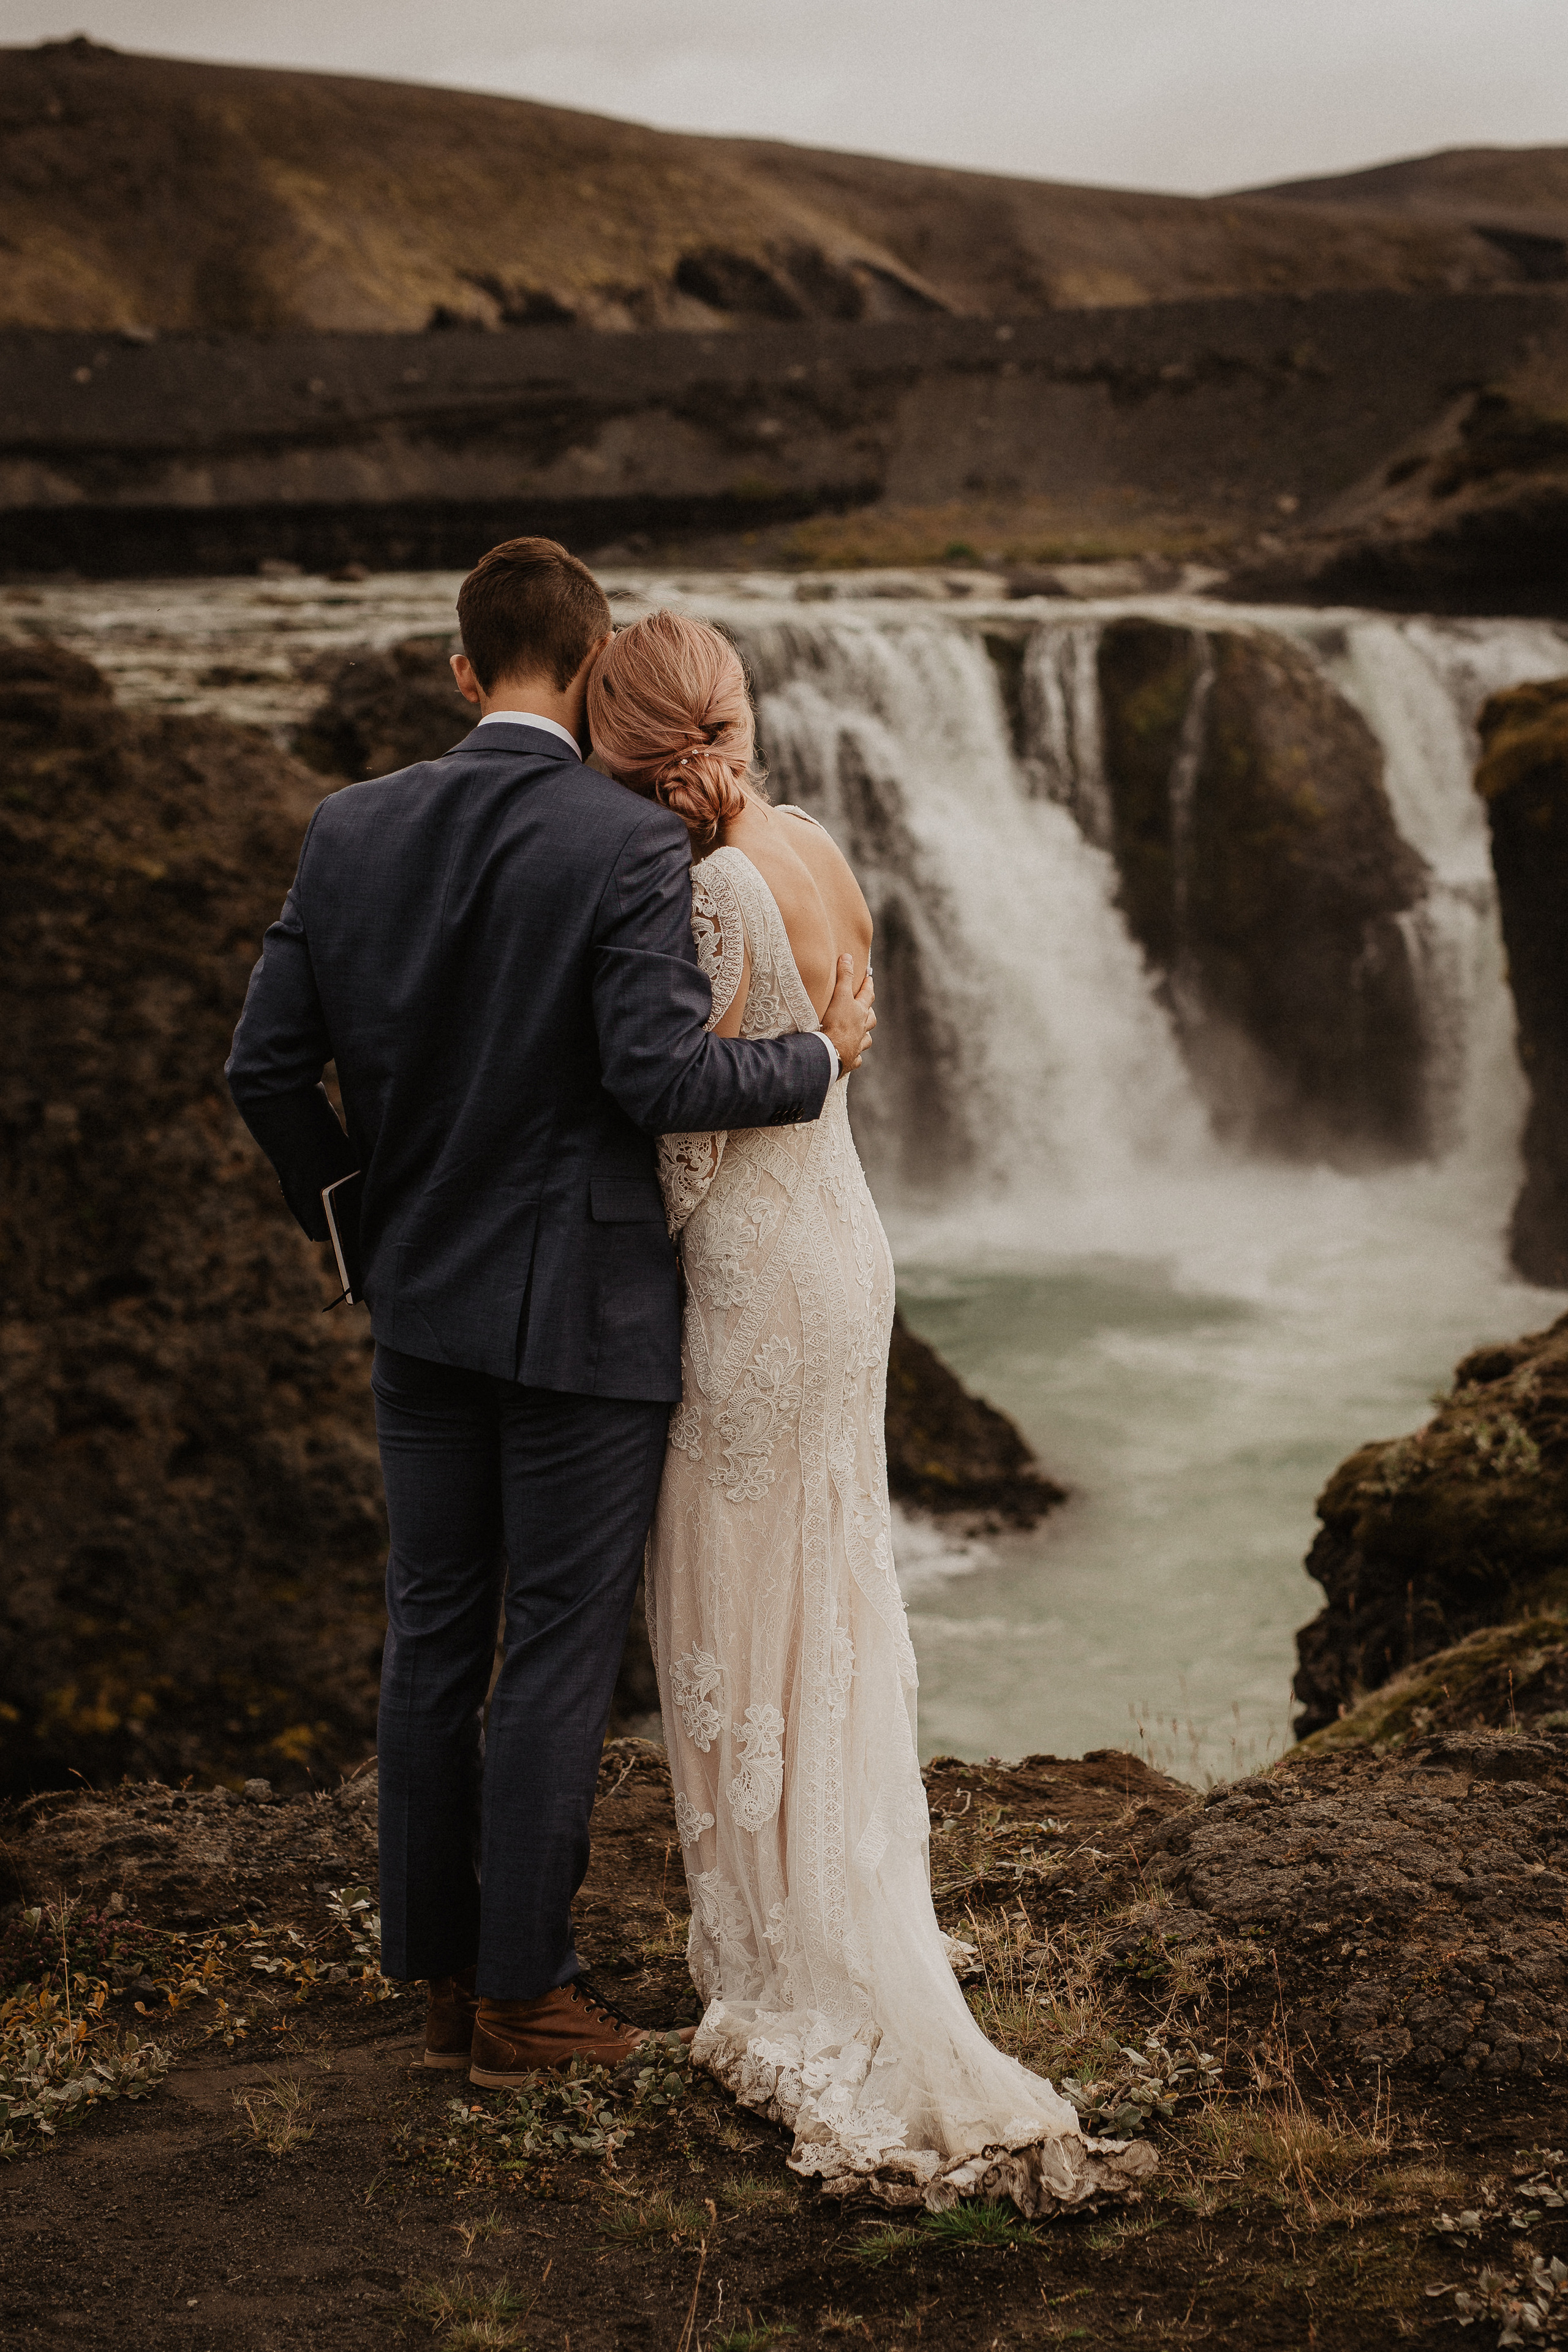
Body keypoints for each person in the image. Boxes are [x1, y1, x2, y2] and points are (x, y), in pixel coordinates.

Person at [225, 537, 876, 2086]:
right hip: (585, 1317)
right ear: (592, 673)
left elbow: (264, 1070)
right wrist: (821, 1061)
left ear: (463, 672)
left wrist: (360, 1231)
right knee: (561, 1647)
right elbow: (658, 1078)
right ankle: (528, 1997)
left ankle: (440, 1982)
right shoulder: (625, 840)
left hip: (420, 1302)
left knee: (433, 1635)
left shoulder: (348, 826)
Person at [587, 611, 1154, 2218]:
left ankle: (795, 1956)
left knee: (731, 1586)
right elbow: (852, 1044)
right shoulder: (814, 842)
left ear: (627, 743)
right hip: (848, 1243)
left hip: (756, 1265)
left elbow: (685, 1131)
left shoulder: (697, 885)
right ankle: (847, 1902)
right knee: (829, 1584)